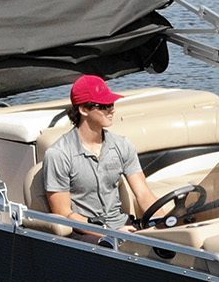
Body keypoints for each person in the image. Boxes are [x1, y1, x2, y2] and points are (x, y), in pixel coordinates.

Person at [43, 75, 158, 232]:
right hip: (86, 235)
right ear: (83, 109)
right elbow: (64, 213)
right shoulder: (58, 154)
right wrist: (110, 234)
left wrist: (165, 227)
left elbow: (144, 194)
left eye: (111, 103)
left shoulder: (123, 145)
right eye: (104, 105)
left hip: (125, 227)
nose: (112, 110)